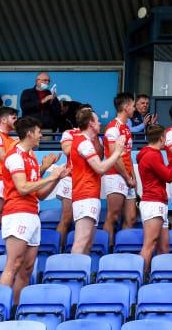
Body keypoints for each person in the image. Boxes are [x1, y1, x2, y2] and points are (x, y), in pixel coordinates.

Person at [0, 117, 68, 304]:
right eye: (39, 132)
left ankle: (15, 309)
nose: (41, 135)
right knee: (12, 265)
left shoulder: (30, 157)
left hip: (32, 214)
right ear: (29, 134)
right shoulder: (15, 156)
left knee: (27, 268)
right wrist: (49, 174)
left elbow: (40, 195)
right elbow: (22, 188)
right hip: (17, 214)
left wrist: (57, 178)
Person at [70, 109, 126, 255]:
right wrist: (117, 152)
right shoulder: (83, 142)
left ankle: (80, 275)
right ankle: (72, 276)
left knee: (87, 243)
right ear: (90, 123)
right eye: (97, 120)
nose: (100, 123)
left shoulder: (86, 141)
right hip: (85, 195)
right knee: (82, 242)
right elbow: (100, 168)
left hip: (89, 195)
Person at [136, 124, 172, 271]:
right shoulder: (152, 155)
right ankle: (139, 280)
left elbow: (164, 173)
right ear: (162, 138)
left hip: (158, 202)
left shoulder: (152, 154)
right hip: (153, 203)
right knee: (149, 244)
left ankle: (161, 279)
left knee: (164, 246)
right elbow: (169, 176)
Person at [54, 104, 97, 247]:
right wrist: (82, 140)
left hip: (86, 182)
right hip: (69, 178)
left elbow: (100, 155)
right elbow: (67, 151)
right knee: (66, 218)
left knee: (86, 224)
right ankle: (58, 250)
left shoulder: (94, 135)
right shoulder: (69, 133)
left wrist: (93, 137)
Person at [103, 93, 137, 246]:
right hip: (115, 176)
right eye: (133, 105)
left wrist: (133, 177)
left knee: (131, 218)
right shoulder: (113, 128)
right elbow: (114, 157)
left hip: (127, 177)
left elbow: (127, 156)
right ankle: (106, 253)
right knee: (113, 216)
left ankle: (121, 252)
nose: (134, 109)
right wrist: (127, 177)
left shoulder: (126, 129)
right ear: (125, 107)